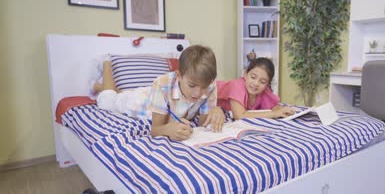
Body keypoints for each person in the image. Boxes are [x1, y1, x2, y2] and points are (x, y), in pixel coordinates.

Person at [92, 45, 225, 141]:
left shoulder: (210, 86)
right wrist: (168, 130)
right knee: (109, 100)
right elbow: (155, 129)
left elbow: (203, 124)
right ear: (178, 75)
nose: (198, 93)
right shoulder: (162, 84)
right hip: (140, 101)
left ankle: (105, 87)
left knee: (128, 92)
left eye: (204, 87)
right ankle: (106, 64)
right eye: (192, 85)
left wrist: (215, 110)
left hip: (154, 94)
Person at [216, 57, 295, 120]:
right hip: (206, 94)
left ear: (267, 84)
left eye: (263, 82)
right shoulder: (236, 86)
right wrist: (274, 114)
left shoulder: (263, 91)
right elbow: (239, 116)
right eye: (253, 77)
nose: (256, 83)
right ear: (246, 74)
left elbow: (274, 107)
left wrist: (283, 110)